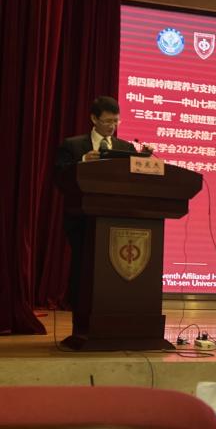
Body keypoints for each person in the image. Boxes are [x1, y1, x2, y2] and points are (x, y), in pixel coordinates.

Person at [55, 96, 136, 308]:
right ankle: (79, 306)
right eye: (107, 121)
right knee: (84, 263)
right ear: (94, 118)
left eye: (116, 121)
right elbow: (59, 178)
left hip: (116, 218)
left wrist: (144, 159)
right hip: (81, 218)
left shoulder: (126, 148)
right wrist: (82, 162)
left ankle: (111, 304)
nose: (112, 126)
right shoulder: (72, 145)